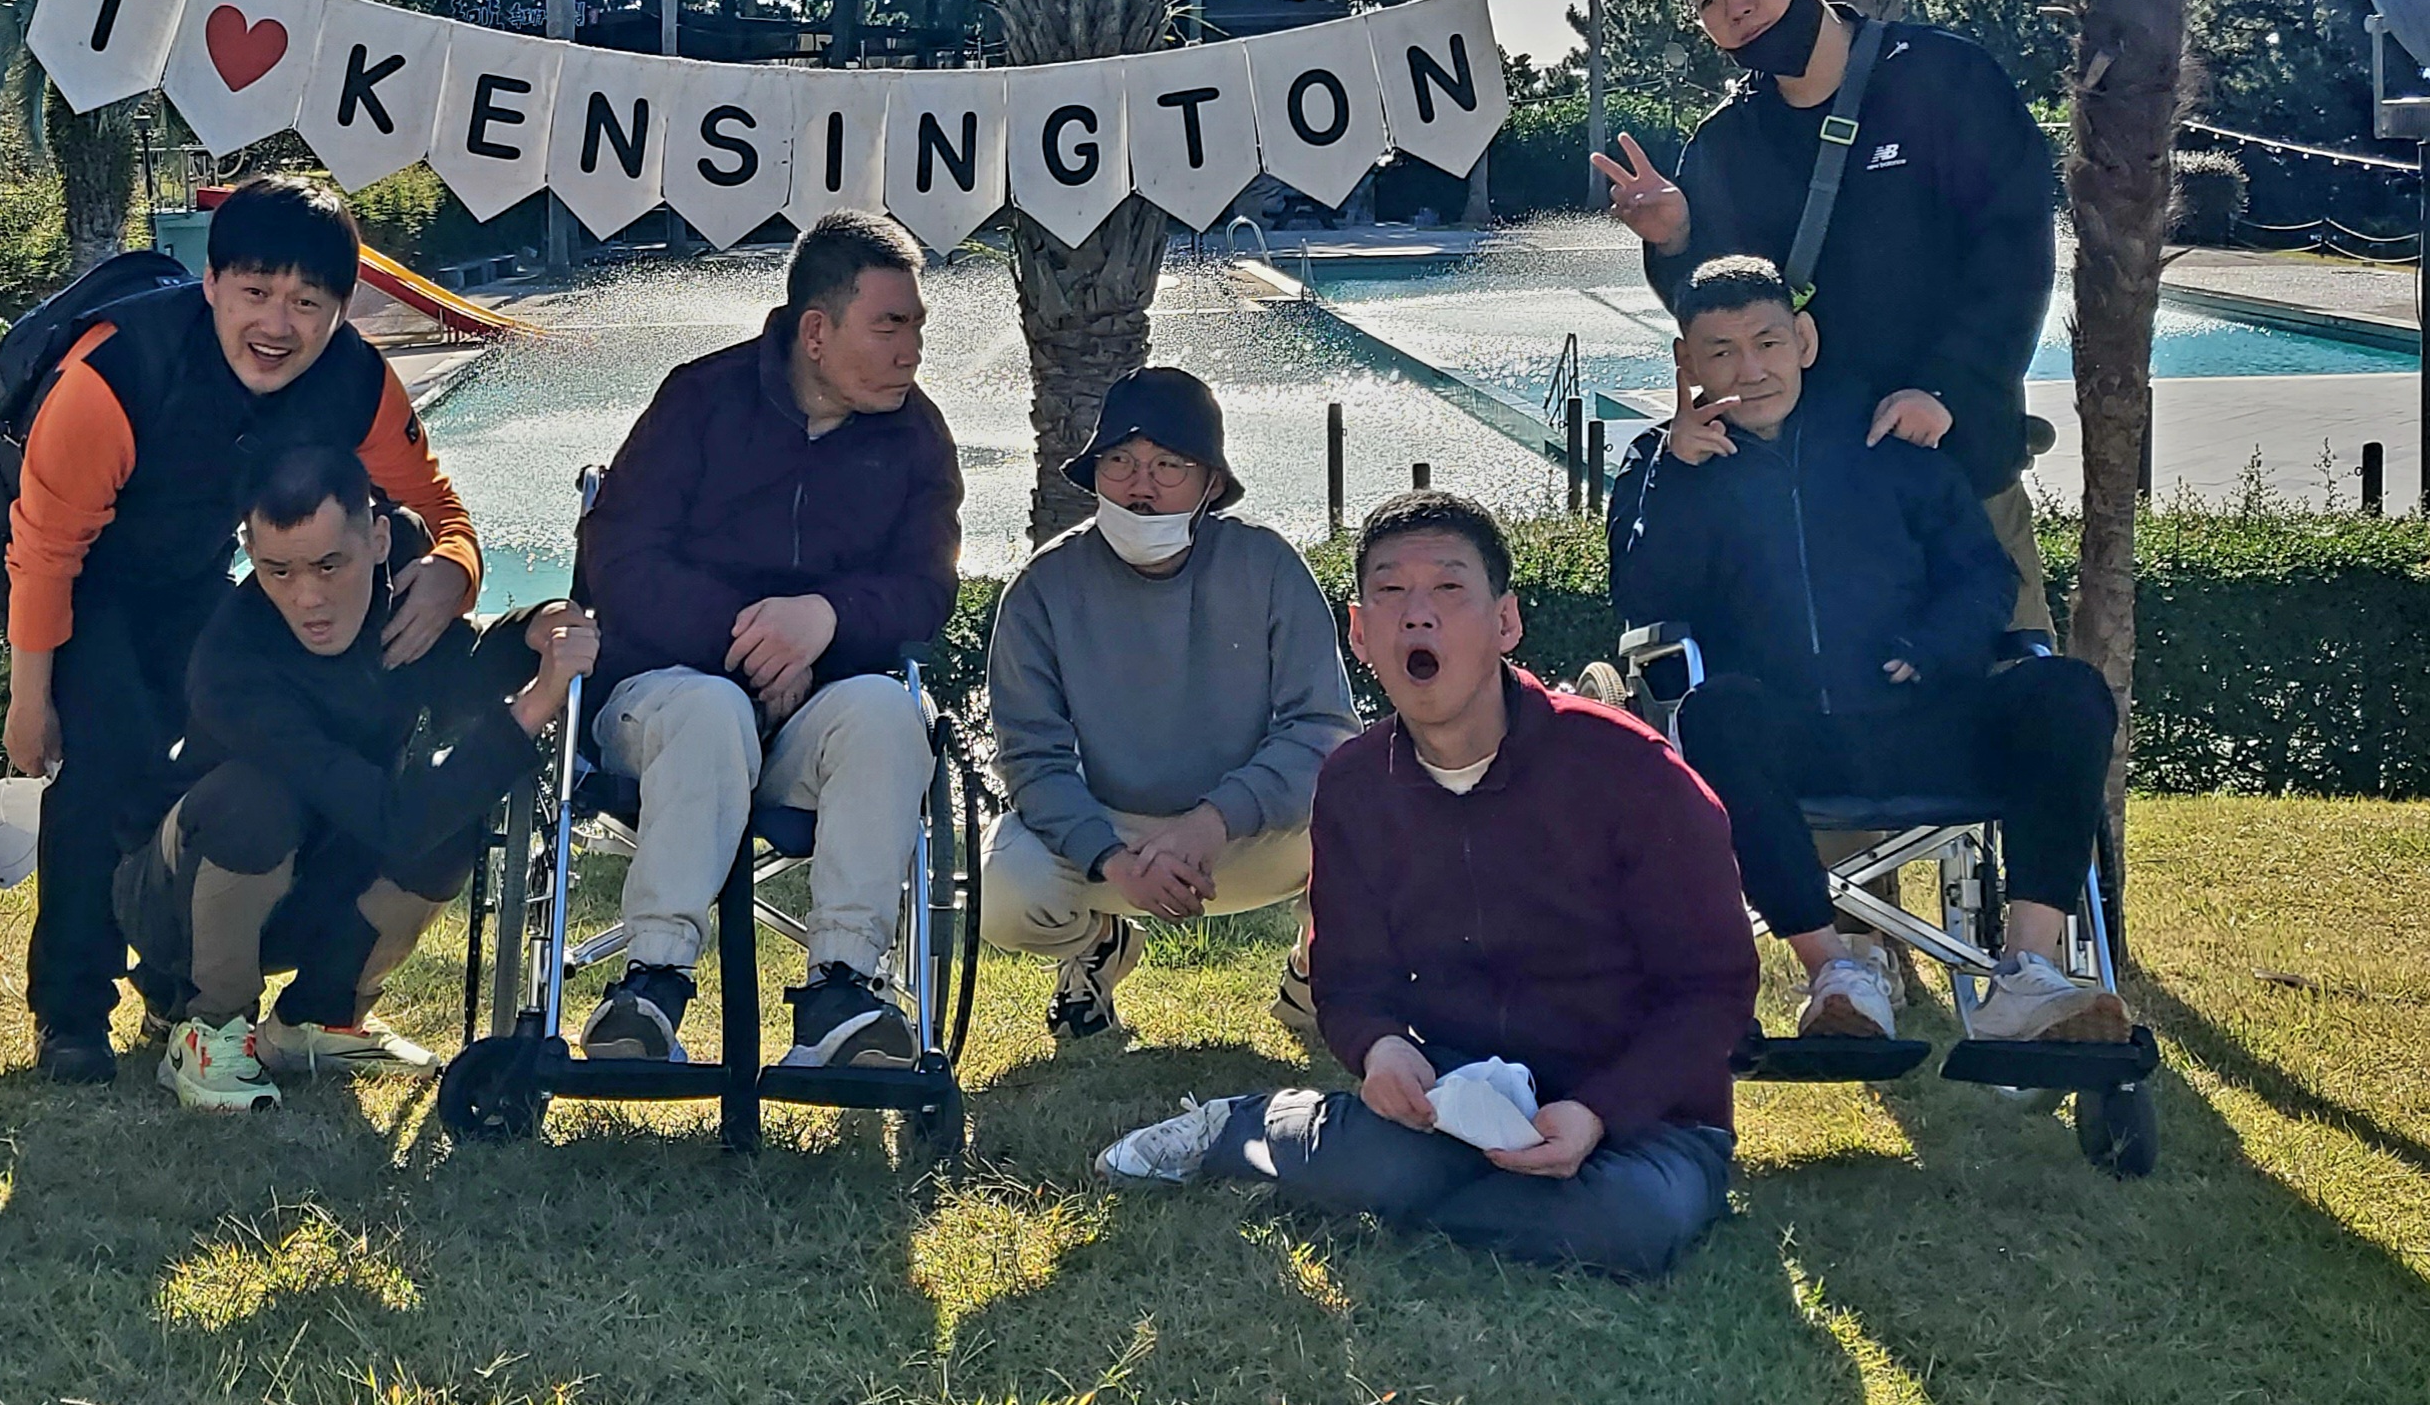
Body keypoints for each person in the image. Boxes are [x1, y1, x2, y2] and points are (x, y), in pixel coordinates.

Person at [1091, 492, 1760, 1283]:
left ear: (1505, 621)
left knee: (1625, 1222)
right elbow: (1349, 983)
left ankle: (1382, 1175)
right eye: (1390, 591)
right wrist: (1380, 1048)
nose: (1417, 614)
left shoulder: (1628, 768)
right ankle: (1247, 1127)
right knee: (1390, 1166)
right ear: (1359, 631)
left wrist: (1596, 1112)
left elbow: (1712, 989)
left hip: (1644, 1116)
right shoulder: (1354, 784)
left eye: (1448, 587)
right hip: (1457, 1096)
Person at [3, 176, 480, 1084]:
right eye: (256, 291)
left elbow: (436, 505)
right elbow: (44, 553)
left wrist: (456, 570)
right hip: (69, 563)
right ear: (212, 282)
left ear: (343, 307)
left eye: (308, 302)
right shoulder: (113, 375)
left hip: (194, 564)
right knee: (100, 757)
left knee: (214, 760)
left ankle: (178, 978)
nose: (277, 324)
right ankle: (70, 1011)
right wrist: (31, 700)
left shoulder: (356, 379)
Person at [1609, 255, 2134, 1046]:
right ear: (1686, 361)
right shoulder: (1660, 467)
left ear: (1805, 342)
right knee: (1713, 712)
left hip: (1922, 717)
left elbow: (1982, 574)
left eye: (1768, 343)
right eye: (1721, 351)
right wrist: (1677, 477)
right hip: (1788, 745)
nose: (1750, 369)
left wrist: (1938, 644)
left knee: (2069, 691)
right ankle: (1836, 975)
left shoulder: (1886, 438)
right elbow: (1643, 601)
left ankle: (2027, 972)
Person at [1589, 0, 2057, 635]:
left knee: (2010, 685)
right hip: (1817, 503)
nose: (1735, 8)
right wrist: (1673, 238)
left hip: (1957, 464)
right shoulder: (1725, 145)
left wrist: (1949, 389)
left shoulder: (1944, 80)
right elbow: (1721, 313)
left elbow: (2015, 253)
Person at [569, 210, 962, 1070]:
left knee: (888, 714)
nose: (911, 351)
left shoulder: (917, 438)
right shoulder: (698, 400)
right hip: (664, 702)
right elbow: (619, 562)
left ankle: (843, 992)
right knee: (711, 708)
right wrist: (749, 643)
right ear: (816, 331)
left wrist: (824, 621)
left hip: (814, 717)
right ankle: (650, 986)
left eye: (917, 326)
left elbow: (927, 588)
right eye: (890, 326)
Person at [115, 447, 599, 1111]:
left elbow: (457, 668)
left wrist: (535, 628)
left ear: (378, 540)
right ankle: (210, 1026)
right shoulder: (231, 668)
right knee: (257, 802)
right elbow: (393, 820)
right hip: (178, 901)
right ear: (249, 552)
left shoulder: (406, 578)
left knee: (451, 819)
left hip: (314, 873)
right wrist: (535, 705)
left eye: (329, 565)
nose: (308, 596)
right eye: (278, 571)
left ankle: (319, 1017)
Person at [982, 367, 1356, 1051]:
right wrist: (1111, 857)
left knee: (1377, 818)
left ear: (1210, 482)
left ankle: (1315, 966)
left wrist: (1213, 821)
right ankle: (1096, 944)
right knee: (1004, 891)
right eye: (1119, 462)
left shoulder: (1268, 565)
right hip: (1113, 836)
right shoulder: (1041, 589)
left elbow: (1322, 729)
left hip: (1249, 834)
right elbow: (1032, 759)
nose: (1140, 486)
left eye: (1167, 465)